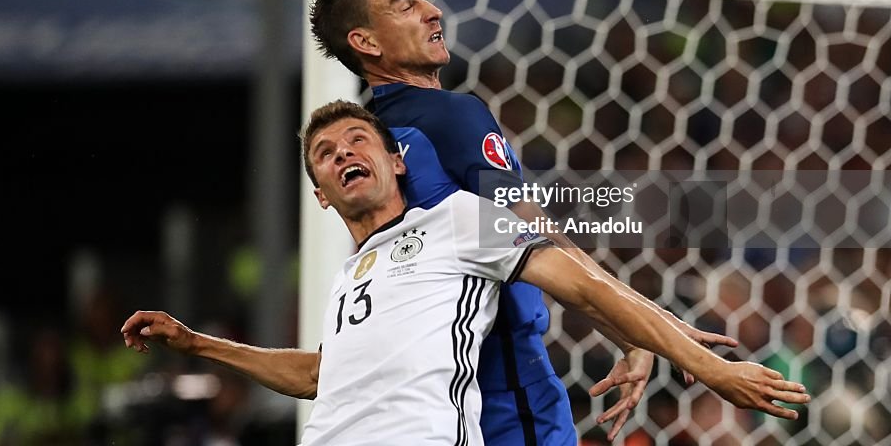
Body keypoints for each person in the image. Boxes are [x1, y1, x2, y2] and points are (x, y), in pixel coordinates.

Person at [121, 101, 810, 446]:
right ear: (321, 194)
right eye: (325, 154)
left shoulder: (459, 219)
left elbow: (585, 284)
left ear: (396, 162)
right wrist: (199, 344)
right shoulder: (347, 274)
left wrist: (704, 364)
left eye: (358, 139)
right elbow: (320, 376)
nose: (342, 153)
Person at [307, 0, 735, 443]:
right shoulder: (449, 117)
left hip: (427, 392)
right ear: (365, 42)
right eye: (405, 6)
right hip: (507, 383)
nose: (433, 12)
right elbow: (539, 240)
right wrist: (643, 328)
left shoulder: (366, 143)